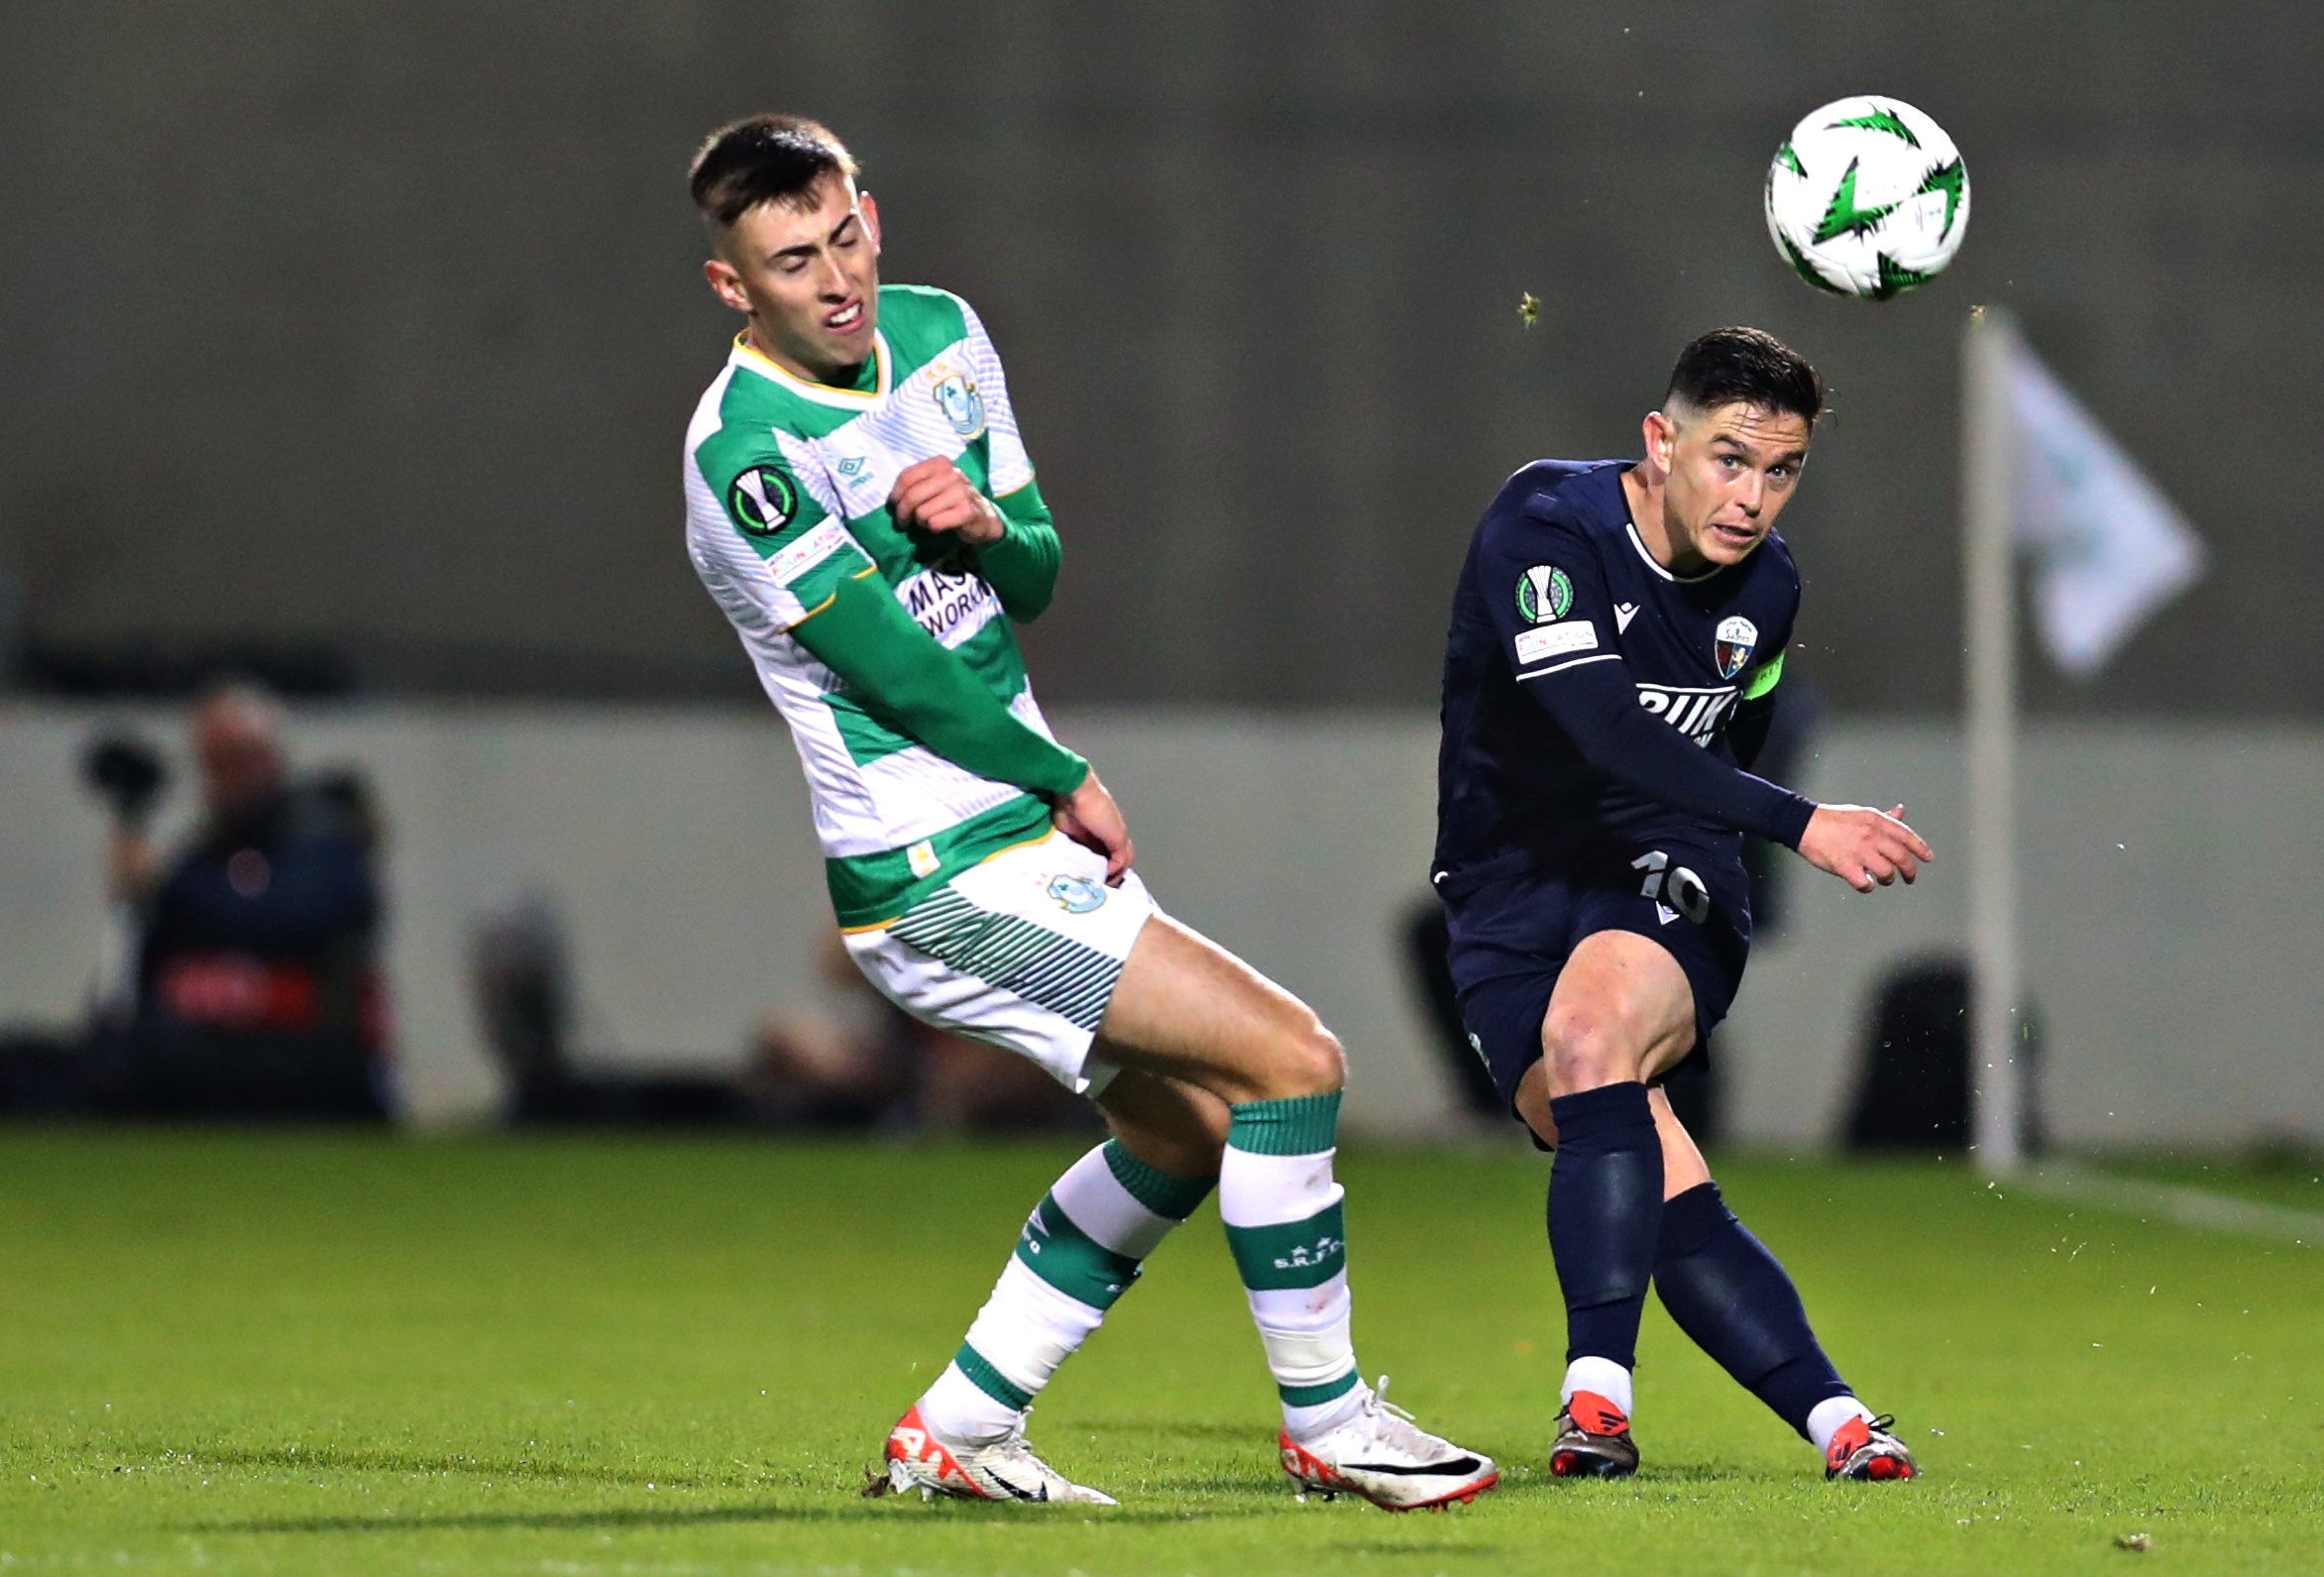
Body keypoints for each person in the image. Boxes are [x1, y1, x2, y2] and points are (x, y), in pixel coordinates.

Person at [679, 116, 1495, 1512]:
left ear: (871, 213)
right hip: (935, 864)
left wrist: (985, 531)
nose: (835, 280)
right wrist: (1061, 773)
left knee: (1185, 1130)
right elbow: (893, 668)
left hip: (1015, 839)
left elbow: (1040, 568)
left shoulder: (939, 334)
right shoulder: (742, 455)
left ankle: (957, 1424)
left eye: (844, 238)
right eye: (790, 260)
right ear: (731, 286)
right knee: (1293, 1061)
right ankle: (1330, 1420)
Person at [1433, 328, 1930, 1482]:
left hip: (1664, 864)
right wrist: (1804, 820)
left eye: (1781, 469)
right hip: (1503, 889)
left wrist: (1746, 835)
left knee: (1589, 1036)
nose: (1752, 498)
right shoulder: (1545, 530)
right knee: (1642, 1162)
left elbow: (1720, 746)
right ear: (1660, 442)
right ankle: (1839, 1420)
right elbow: (1603, 726)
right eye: (1727, 458)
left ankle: (1594, 1401)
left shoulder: (1769, 585)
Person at [107, 683, 388, 1118]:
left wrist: (167, 890)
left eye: (239, 758)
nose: (227, 777)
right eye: (214, 763)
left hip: (301, 1058)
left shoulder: (322, 838)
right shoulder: (204, 853)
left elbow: (288, 917)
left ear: (273, 758)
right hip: (196, 1055)